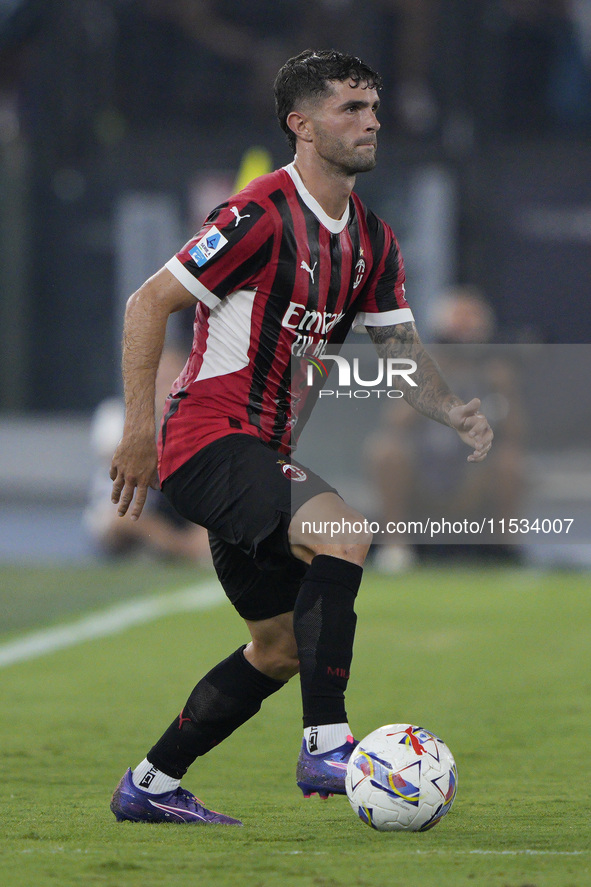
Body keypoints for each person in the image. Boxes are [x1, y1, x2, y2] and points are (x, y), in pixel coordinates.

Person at [109, 49, 493, 826]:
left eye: (374, 106)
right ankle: (327, 742)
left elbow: (399, 352)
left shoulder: (374, 243)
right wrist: (137, 435)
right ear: (302, 124)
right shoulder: (257, 216)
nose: (373, 121)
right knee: (345, 535)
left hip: (261, 455)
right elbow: (147, 304)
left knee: (280, 648)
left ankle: (149, 784)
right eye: (352, 108)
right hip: (207, 440)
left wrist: (451, 409)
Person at [365, 286, 524, 572]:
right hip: (424, 470)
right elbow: (394, 423)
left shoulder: (495, 375)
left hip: (474, 472)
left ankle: (504, 550)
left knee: (510, 462)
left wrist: (504, 391)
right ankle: (395, 547)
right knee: (385, 451)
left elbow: (515, 434)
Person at [84, 346, 211, 563]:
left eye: (176, 379)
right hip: (138, 517)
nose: (168, 388)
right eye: (161, 380)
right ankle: (171, 550)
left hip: (186, 518)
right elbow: (113, 517)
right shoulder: (116, 417)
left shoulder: (204, 423)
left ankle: (175, 550)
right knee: (120, 522)